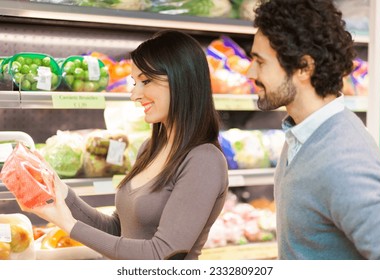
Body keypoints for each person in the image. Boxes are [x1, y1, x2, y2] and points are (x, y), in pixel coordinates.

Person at [21, 30, 229, 260]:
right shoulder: (149, 149)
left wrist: (69, 225)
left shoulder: (203, 160)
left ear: (181, 80)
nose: (135, 95)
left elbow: (161, 255)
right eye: (134, 82)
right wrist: (60, 190)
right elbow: (117, 231)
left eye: (146, 81)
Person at [247, 0, 380, 259]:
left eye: (260, 61)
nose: (250, 71)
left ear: (304, 67)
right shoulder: (301, 133)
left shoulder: (344, 159)